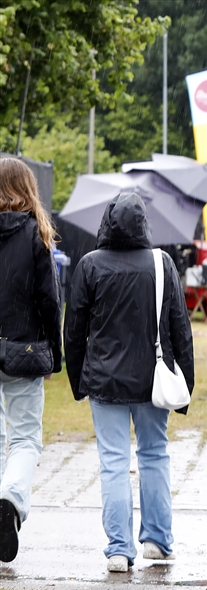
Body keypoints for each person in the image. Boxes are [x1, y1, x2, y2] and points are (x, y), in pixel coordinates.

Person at [64, 193, 195, 573]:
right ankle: (156, 539)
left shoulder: (90, 266)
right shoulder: (161, 263)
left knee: (114, 462)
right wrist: (184, 383)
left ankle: (119, 549)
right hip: (153, 379)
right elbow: (179, 328)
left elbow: (74, 332)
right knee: (154, 455)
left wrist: (78, 380)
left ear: (106, 222)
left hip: (104, 380)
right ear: (144, 224)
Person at [0, 158, 63, 564]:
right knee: (24, 437)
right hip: (23, 349)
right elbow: (49, 301)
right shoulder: (36, 235)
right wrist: (54, 354)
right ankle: (10, 498)